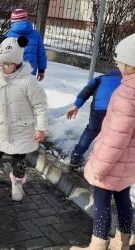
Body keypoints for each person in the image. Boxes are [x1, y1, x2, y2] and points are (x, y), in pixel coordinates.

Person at [70, 34, 135, 250]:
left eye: (120, 61)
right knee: (124, 199)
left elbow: (117, 135)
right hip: (128, 161)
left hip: (112, 162)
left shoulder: (127, 92)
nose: (116, 65)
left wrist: (100, 167)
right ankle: (122, 243)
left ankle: (97, 245)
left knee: (102, 202)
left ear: (130, 64)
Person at [0, 37, 48, 202]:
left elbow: (40, 106)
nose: (1, 68)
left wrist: (40, 128)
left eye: (6, 65)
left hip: (22, 129)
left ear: (17, 63)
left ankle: (18, 183)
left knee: (18, 160)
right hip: (1, 126)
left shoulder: (28, 82)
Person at [66, 69, 122, 168]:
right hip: (118, 110)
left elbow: (86, 91)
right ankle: (105, 162)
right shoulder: (126, 82)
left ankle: (76, 156)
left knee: (91, 130)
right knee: (113, 134)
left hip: (98, 109)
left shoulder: (101, 78)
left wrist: (76, 106)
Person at [5, 9, 47, 81]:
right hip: (30, 71)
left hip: (13, 70)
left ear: (12, 21)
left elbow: (4, 55)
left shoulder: (9, 35)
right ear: (26, 19)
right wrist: (41, 70)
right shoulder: (36, 35)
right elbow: (41, 54)